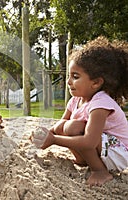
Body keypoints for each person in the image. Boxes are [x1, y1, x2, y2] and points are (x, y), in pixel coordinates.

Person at [31, 36, 128, 186]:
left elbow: (89, 141)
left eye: (75, 77)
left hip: (118, 153)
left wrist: (54, 140)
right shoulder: (75, 100)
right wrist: (45, 135)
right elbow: (58, 127)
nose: (69, 82)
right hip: (102, 147)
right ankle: (83, 160)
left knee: (73, 127)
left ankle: (100, 171)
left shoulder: (101, 103)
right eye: (69, 76)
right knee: (62, 125)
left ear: (96, 83)